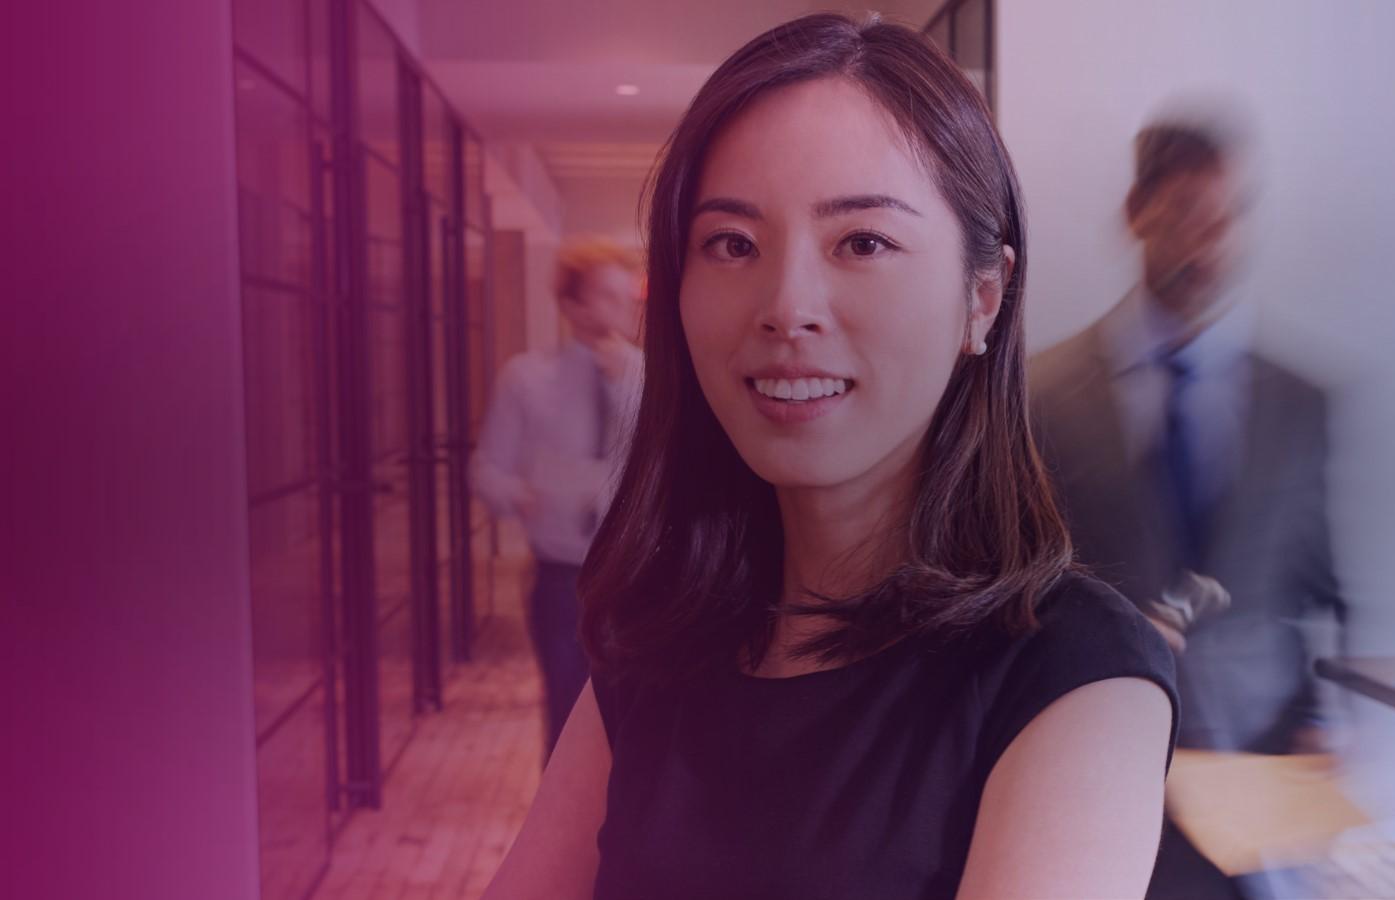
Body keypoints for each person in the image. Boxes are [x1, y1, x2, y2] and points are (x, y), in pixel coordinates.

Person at [480, 14, 1177, 899]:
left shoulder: (1071, 671)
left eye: (862, 243)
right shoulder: (656, 639)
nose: (786, 306)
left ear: (984, 297)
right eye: (733, 244)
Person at [1030, 114, 1347, 899]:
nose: (1211, 244)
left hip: (1261, 762)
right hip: (1101, 749)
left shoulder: (1301, 401)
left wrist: (1320, 718)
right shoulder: (1039, 396)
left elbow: (1315, 581)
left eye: (1228, 219)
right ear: (1138, 211)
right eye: (1186, 218)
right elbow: (1018, 580)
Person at [469, 237, 642, 755]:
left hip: (639, 578)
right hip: (562, 577)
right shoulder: (527, 378)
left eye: (627, 298)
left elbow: (673, 466)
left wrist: (631, 383)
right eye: (609, 297)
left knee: (639, 722)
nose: (624, 309)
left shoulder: (654, 379)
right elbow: (486, 469)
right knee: (568, 720)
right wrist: (518, 495)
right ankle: (566, 834)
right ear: (572, 306)